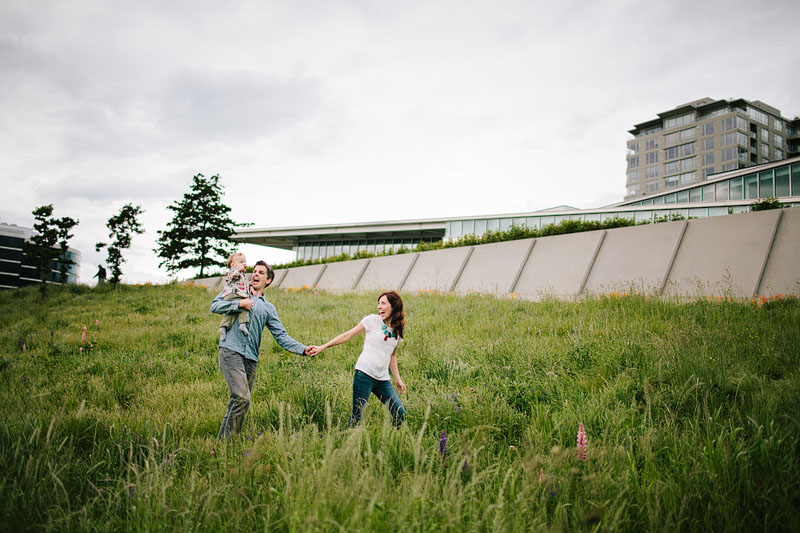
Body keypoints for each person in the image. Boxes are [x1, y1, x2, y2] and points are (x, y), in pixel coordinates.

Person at [210, 260, 315, 439]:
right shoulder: (238, 289)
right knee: (242, 398)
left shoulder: (268, 308)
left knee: (238, 402)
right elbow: (215, 306)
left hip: (250, 359)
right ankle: (226, 442)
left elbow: (281, 336)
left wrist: (303, 349)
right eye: (254, 271)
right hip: (230, 351)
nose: (255, 275)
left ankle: (223, 443)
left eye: (261, 273)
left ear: (268, 280)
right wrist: (239, 304)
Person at [309, 291, 407, 427]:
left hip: (382, 379)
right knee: (356, 418)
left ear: (394, 306)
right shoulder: (372, 320)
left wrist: (398, 380)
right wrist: (323, 347)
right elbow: (347, 335)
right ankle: (343, 443)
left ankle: (390, 440)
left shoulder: (398, 330)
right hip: (364, 375)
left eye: (383, 303)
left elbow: (392, 355)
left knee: (400, 414)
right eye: (378, 303)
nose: (379, 306)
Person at [218, 252, 250, 341]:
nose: (244, 264)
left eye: (245, 262)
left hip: (236, 295)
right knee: (246, 306)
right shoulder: (233, 271)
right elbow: (231, 277)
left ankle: (223, 327)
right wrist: (237, 270)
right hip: (234, 294)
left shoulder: (243, 275)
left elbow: (246, 285)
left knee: (231, 313)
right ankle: (243, 324)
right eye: (241, 262)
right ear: (232, 265)